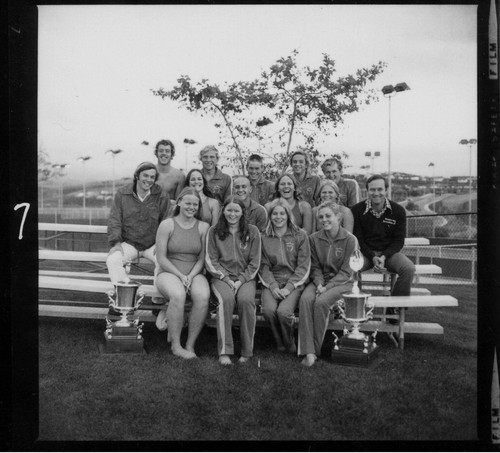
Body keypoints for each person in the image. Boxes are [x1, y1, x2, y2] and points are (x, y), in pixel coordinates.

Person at [298, 202, 357, 367]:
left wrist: (327, 287)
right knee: (305, 300)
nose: (324, 220)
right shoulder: (313, 239)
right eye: (321, 217)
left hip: (343, 283)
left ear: (338, 217)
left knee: (321, 302)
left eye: (328, 216)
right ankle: (307, 350)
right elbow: (314, 266)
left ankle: (314, 351)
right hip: (319, 281)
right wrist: (318, 284)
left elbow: (347, 272)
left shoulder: (350, 239)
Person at [154, 188, 210, 359]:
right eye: (188, 203)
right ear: (179, 202)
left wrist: (190, 276)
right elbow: (161, 257)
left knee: (202, 295)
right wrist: (179, 275)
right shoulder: (167, 224)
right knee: (178, 295)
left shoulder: (203, 227)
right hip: (169, 272)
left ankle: (190, 344)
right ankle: (176, 346)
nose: (191, 207)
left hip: (194, 272)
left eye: (195, 204)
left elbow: (201, 259)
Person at [205, 196, 261, 365]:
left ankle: (246, 351)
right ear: (223, 211)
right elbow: (211, 260)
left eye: (236, 210)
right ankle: (224, 351)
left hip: (246, 279)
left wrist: (241, 280)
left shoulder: (252, 231)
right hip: (221, 277)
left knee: (246, 300)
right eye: (229, 210)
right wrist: (227, 279)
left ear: (243, 212)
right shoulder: (214, 231)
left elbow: (255, 261)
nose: (233, 214)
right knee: (226, 299)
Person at [351, 174, 416, 297]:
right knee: (351, 268)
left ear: (386, 190)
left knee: (408, 268)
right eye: (372, 189)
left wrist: (384, 257)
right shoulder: (357, 210)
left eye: (380, 189)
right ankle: (357, 308)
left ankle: (395, 309)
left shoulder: (398, 211)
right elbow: (358, 239)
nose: (376, 193)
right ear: (367, 191)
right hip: (365, 254)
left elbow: (398, 241)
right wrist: (372, 257)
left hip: (389, 255)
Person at [259, 199, 311, 353]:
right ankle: (278, 341)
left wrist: (289, 287)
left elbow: (303, 266)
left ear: (288, 215)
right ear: (270, 216)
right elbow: (263, 265)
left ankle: (289, 342)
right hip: (272, 282)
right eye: (275, 213)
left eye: (282, 213)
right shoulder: (264, 236)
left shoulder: (300, 235)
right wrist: (273, 286)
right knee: (268, 311)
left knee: (284, 312)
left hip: (294, 282)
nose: (278, 217)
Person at [106, 162, 170, 284]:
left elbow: (166, 221)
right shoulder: (123, 193)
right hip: (130, 243)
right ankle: (125, 294)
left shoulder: (161, 195)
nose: (149, 180)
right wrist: (116, 243)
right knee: (113, 259)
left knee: (164, 262)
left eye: (152, 177)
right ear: (137, 176)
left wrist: (161, 243)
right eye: (145, 175)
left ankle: (158, 296)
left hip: (153, 245)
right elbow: (115, 219)